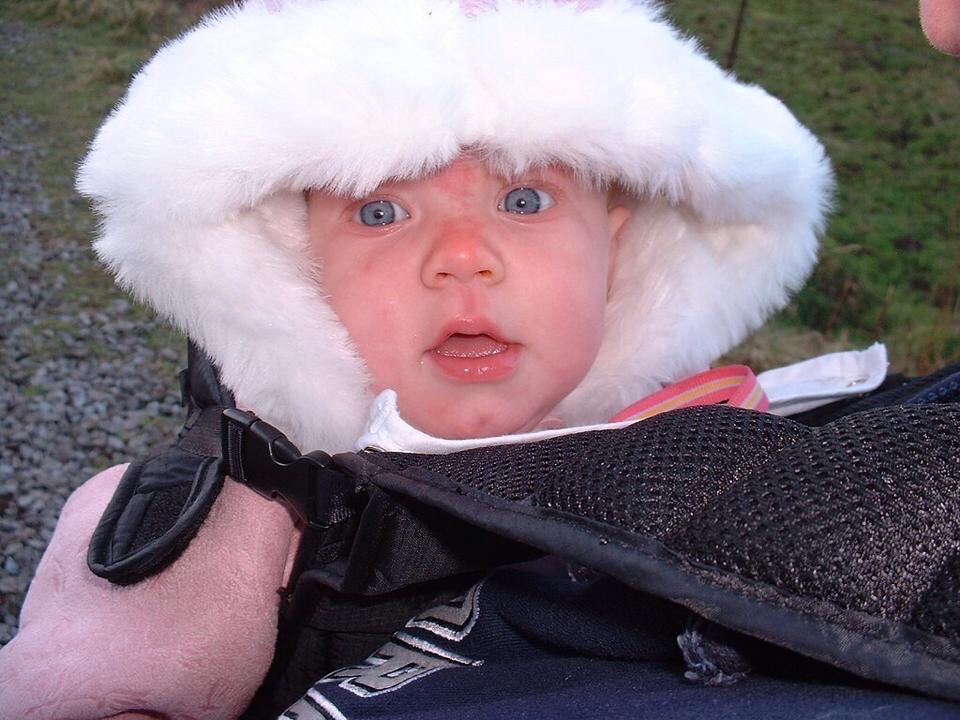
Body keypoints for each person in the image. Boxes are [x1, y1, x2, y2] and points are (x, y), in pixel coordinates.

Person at [8, 0, 948, 717]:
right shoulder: (252, 508)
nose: (462, 255)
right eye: (379, 212)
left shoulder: (754, 432)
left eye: (526, 203)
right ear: (294, 272)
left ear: (617, 245)